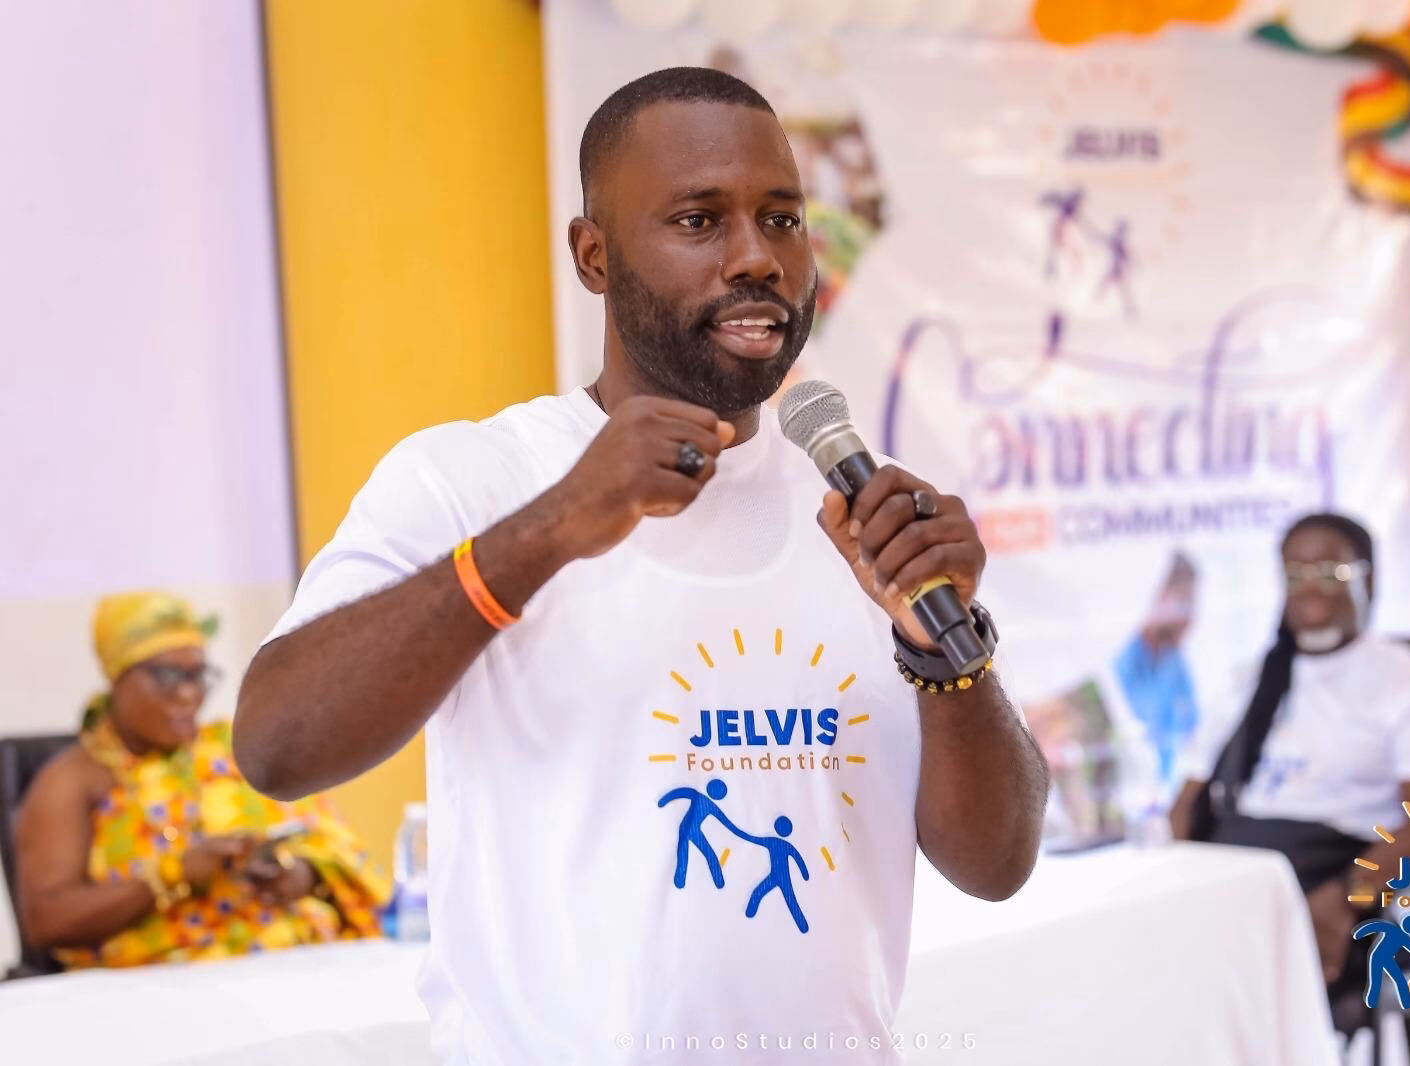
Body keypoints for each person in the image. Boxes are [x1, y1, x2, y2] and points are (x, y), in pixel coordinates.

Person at [234, 67, 1047, 1064]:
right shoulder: (473, 479)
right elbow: (277, 746)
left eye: (783, 219)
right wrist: (551, 528)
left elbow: (996, 865)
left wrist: (944, 656)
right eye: (699, 221)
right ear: (594, 256)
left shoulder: (860, 517)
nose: (757, 258)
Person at [1167, 513, 1410, 1000]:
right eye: (1295, 573)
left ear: (1368, 579)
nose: (1310, 588)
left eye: (1329, 572)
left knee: (1219, 985)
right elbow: (1187, 805)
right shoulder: (1247, 683)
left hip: (1356, 892)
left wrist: (1345, 898)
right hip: (1242, 882)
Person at [12, 592, 384, 970]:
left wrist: (303, 874)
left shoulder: (232, 748)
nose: (189, 694)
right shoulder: (72, 781)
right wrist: (175, 875)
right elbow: (47, 921)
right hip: (163, 983)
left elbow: (332, 843)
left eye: (198, 676)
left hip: (295, 958)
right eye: (168, 676)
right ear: (117, 676)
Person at [1113, 551, 1199, 788]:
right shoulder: (1121, 659)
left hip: (1165, 788)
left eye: (1190, 600)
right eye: (1181, 599)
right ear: (1156, 595)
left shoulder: (1174, 660)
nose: (1188, 614)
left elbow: (1194, 726)